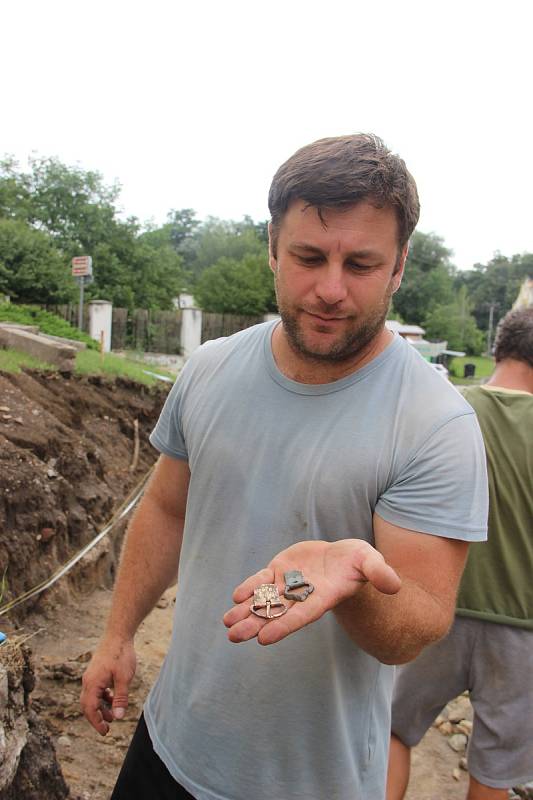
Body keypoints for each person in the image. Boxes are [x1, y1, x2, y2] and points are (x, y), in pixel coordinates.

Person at [81, 134, 488, 800]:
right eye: (307, 257)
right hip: (168, 744)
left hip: (311, 780)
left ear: (398, 266)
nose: (330, 289)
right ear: (272, 245)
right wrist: (118, 634)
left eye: (360, 263)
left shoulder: (434, 425)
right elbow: (167, 508)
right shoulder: (209, 369)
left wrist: (355, 582)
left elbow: (417, 624)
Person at [387, 307, 533, 800]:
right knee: (493, 773)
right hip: (523, 633)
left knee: (391, 731)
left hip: (434, 606)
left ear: (497, 350)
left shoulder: (446, 409)